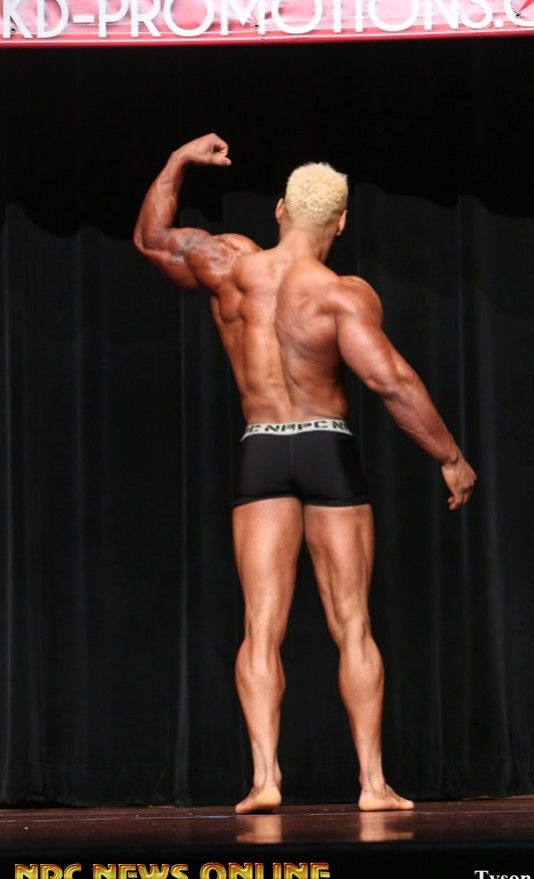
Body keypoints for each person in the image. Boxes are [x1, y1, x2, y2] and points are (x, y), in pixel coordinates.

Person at [134, 133, 476, 815]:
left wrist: (176, 161)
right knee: (352, 623)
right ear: (340, 223)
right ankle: (372, 785)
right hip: (326, 448)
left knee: (261, 626)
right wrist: (450, 457)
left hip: (261, 447)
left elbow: (152, 240)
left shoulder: (231, 266)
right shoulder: (342, 295)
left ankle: (265, 779)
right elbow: (390, 380)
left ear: (280, 211)